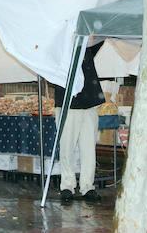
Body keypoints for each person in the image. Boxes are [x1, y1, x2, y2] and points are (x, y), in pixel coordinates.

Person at [55, 42, 105, 205]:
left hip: (89, 102)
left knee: (89, 148)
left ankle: (87, 186)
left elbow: (99, 37)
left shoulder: (87, 46)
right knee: (67, 147)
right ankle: (67, 186)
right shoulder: (60, 47)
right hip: (68, 104)